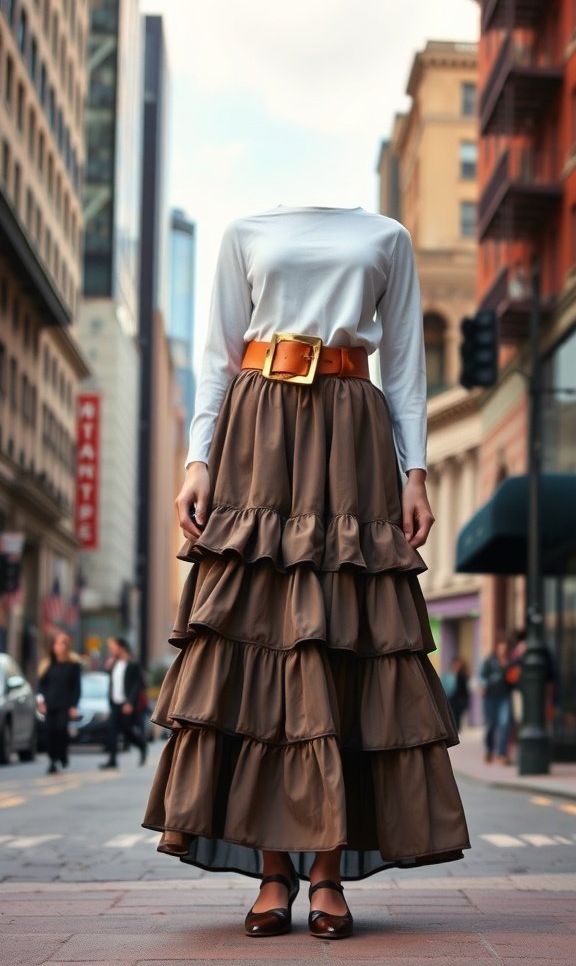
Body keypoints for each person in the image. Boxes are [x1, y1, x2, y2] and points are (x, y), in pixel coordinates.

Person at [142, 205, 470, 939]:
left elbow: (408, 364)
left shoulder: (388, 238)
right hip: (258, 434)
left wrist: (415, 471)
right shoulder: (244, 234)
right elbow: (218, 357)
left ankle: (323, 873)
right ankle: (272, 870)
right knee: (260, 637)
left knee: (336, 639)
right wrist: (198, 459)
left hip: (352, 433)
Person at [37, 632, 81, 774]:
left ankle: (62, 754)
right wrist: (41, 701)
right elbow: (41, 686)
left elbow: (76, 687)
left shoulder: (73, 665)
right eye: (57, 644)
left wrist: (73, 706)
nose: (60, 647)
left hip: (65, 705)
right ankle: (52, 761)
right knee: (50, 732)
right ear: (53, 647)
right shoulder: (47, 665)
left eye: (63, 644)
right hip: (50, 704)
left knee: (61, 730)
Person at [100, 637, 147, 769]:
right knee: (112, 731)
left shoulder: (132, 663)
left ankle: (141, 745)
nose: (111, 650)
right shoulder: (114, 663)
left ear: (121, 647)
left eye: (113, 647)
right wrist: (109, 664)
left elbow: (138, 685)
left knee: (127, 732)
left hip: (127, 705)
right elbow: (109, 677)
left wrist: (130, 703)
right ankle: (112, 760)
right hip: (115, 703)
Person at [480, 638, 513, 764]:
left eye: (505, 649)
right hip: (490, 697)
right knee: (491, 725)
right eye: (501, 648)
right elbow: (481, 677)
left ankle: (502, 754)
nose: (503, 651)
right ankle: (489, 750)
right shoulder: (489, 661)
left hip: (504, 697)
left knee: (504, 724)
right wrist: (485, 685)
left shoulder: (510, 663)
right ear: (497, 649)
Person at [442, 655, 470, 732]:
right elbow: (444, 688)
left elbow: (465, 690)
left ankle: (457, 730)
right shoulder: (447, 676)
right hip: (450, 700)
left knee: (458, 718)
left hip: (459, 701)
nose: (457, 667)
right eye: (456, 665)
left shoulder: (463, 676)